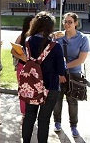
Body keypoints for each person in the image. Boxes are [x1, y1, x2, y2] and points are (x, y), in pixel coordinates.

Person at [17, 12, 66, 143]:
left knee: (29, 117)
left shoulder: (28, 41)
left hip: (31, 86)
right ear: (50, 27)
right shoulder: (55, 47)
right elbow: (61, 71)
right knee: (44, 120)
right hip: (50, 88)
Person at [53, 12, 90, 138]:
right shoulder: (58, 37)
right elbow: (51, 55)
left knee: (72, 100)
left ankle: (73, 126)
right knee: (57, 99)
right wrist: (59, 71)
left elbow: (81, 59)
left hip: (74, 74)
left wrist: (64, 67)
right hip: (58, 74)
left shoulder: (83, 38)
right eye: (65, 21)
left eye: (70, 22)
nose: (67, 24)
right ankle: (57, 122)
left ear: (76, 23)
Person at [10, 15, 35, 121]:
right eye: (32, 22)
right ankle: (24, 113)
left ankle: (32, 113)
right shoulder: (22, 36)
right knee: (23, 91)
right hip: (22, 67)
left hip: (34, 69)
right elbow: (12, 50)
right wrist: (22, 57)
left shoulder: (38, 36)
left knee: (34, 91)